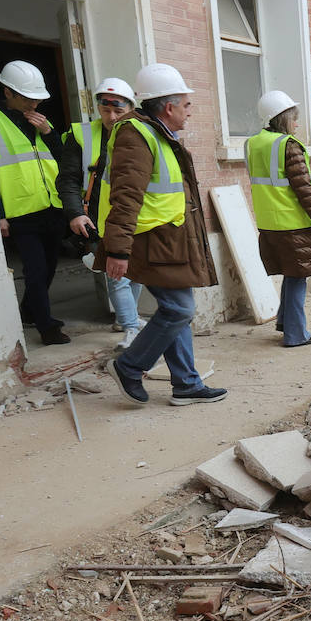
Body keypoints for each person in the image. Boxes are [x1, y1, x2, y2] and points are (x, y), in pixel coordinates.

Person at [101, 63, 226, 407]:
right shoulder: (135, 134)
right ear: (168, 108)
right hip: (150, 240)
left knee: (177, 311)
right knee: (179, 310)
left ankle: (186, 383)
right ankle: (129, 366)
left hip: (169, 240)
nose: (190, 111)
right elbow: (126, 196)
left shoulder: (157, 133)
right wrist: (118, 251)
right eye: (186, 104)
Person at [0, 60, 69, 345]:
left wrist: (48, 133)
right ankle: (47, 328)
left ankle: (30, 312)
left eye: (37, 98)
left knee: (50, 267)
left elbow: (63, 159)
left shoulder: (42, 123)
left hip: (51, 207)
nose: (34, 104)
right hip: (20, 212)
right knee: (36, 270)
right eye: (28, 98)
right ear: (8, 92)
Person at [60, 77, 145, 351]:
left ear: (131, 107)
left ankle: (126, 319)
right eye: (105, 110)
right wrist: (75, 213)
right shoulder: (81, 135)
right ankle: (131, 327)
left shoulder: (142, 133)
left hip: (134, 215)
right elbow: (68, 180)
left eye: (118, 111)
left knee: (135, 270)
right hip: (98, 218)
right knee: (116, 273)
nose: (111, 117)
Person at [249, 90, 311, 346]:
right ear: (282, 119)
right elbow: (304, 189)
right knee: (297, 277)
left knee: (290, 273)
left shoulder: (253, 143)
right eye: (294, 118)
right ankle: (296, 335)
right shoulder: (288, 146)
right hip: (293, 222)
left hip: (268, 222)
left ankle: (285, 323)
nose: (297, 123)